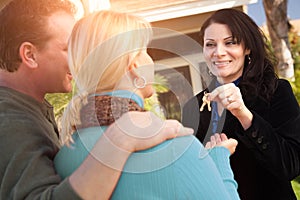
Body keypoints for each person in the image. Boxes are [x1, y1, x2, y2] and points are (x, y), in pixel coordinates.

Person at [0, 0, 194, 199]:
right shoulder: (9, 119)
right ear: (30, 55)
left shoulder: (27, 108)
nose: (80, 60)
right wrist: (120, 140)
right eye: (69, 49)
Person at [54, 10, 241, 200]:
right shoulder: (178, 147)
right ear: (135, 67)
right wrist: (219, 159)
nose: (151, 61)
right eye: (146, 52)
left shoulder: (63, 157)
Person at [182, 8, 300, 200]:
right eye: (210, 44)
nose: (218, 52)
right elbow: (189, 177)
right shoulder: (193, 107)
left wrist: (245, 115)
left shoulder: (276, 91)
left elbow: (291, 166)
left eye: (230, 43)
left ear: (247, 48)